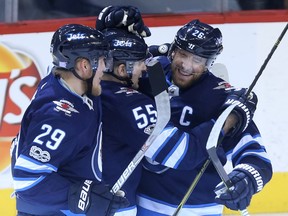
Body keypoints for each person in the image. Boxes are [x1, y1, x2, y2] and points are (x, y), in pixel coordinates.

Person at [96, 6, 272, 215]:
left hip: (198, 210)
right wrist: (108, 26)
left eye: (197, 60)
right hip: (142, 204)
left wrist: (247, 178)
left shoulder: (220, 97)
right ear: (172, 50)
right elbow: (113, 63)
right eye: (183, 54)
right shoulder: (149, 73)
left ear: (209, 63)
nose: (186, 66)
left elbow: (257, 156)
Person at [10, 23, 128, 216]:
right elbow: (27, 181)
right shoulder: (60, 118)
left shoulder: (62, 79)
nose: (105, 68)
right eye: (101, 61)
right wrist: (83, 197)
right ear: (84, 66)